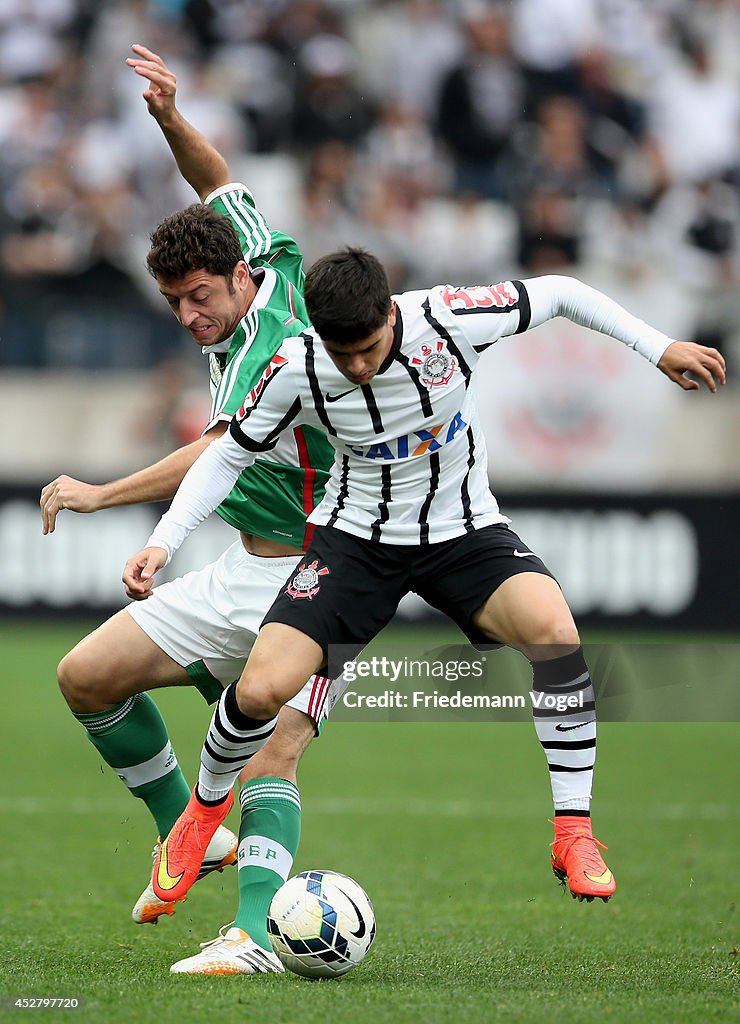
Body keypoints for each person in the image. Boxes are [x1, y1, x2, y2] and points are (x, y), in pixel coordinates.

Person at [124, 248, 725, 966]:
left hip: (460, 533)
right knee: (258, 689)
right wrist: (165, 542)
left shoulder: (448, 317)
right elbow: (225, 453)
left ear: (390, 314)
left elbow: (561, 291)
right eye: (341, 354)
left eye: (369, 349)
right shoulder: (294, 365)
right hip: (355, 543)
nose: (356, 369)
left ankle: (573, 832)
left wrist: (657, 348)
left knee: (557, 636)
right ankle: (201, 813)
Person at [40, 46, 347, 975]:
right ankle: (190, 830)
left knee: (269, 754)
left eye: (199, 297)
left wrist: (104, 494)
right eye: (173, 300)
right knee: (86, 678)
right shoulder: (259, 253)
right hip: (241, 571)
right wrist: (170, 117)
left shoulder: (274, 348)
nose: (187, 315)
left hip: (323, 580)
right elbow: (219, 179)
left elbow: (216, 451)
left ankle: (255, 937)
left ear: (240, 284)